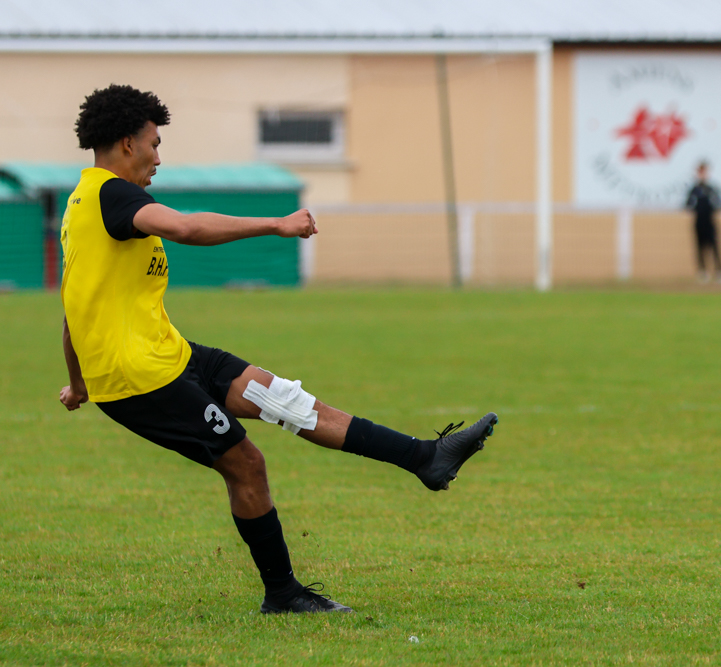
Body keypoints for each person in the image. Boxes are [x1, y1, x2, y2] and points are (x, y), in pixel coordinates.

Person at [58, 85, 499, 615]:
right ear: (127, 144)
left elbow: (74, 304)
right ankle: (283, 594)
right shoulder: (113, 195)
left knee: (287, 399)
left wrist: (79, 382)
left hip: (169, 354)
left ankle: (426, 458)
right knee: (246, 464)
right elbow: (184, 226)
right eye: (154, 143)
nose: (159, 155)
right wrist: (276, 224)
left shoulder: (84, 203)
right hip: (140, 379)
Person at [685, 161, 721, 283]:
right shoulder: (695, 190)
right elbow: (687, 204)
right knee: (700, 248)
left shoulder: (711, 189)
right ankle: (702, 271)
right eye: (700, 171)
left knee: (715, 247)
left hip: (710, 222)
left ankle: (720, 271)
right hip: (699, 222)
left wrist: (715, 206)